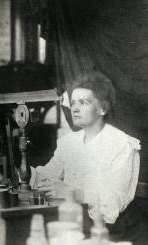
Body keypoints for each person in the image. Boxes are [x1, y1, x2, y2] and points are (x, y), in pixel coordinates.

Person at [31, 72, 147, 243]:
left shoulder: (122, 144)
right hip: (75, 225)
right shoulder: (70, 142)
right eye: (73, 103)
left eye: (83, 102)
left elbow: (113, 202)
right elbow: (47, 176)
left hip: (114, 233)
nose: (75, 109)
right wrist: (19, 173)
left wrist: (73, 193)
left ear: (103, 108)